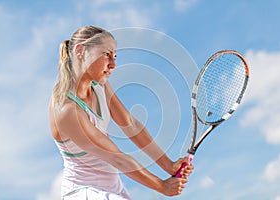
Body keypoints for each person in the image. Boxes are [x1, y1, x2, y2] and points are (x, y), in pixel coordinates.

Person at [49, 25, 193, 200]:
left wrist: (169, 166)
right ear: (80, 51)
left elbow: (131, 125)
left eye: (115, 56)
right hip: (82, 193)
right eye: (106, 55)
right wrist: (162, 186)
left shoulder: (99, 85)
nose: (113, 65)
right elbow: (117, 158)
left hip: (114, 189)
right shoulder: (67, 110)